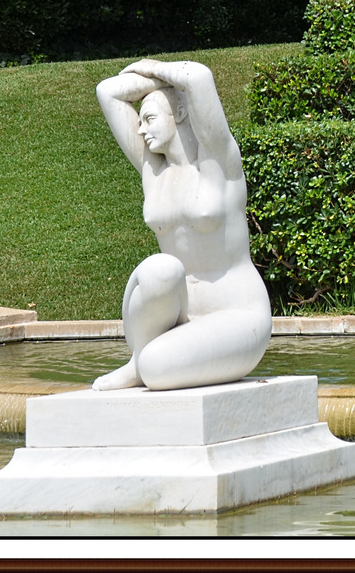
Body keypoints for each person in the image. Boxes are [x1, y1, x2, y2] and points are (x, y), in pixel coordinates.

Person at [92, 59, 271, 390]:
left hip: (240, 316)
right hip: (178, 317)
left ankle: (146, 362)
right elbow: (109, 92)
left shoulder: (219, 165)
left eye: (149, 119)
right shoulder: (154, 172)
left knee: (158, 368)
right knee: (159, 269)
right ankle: (138, 361)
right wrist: (158, 89)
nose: (141, 130)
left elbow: (199, 77)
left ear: (182, 114)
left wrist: (153, 67)